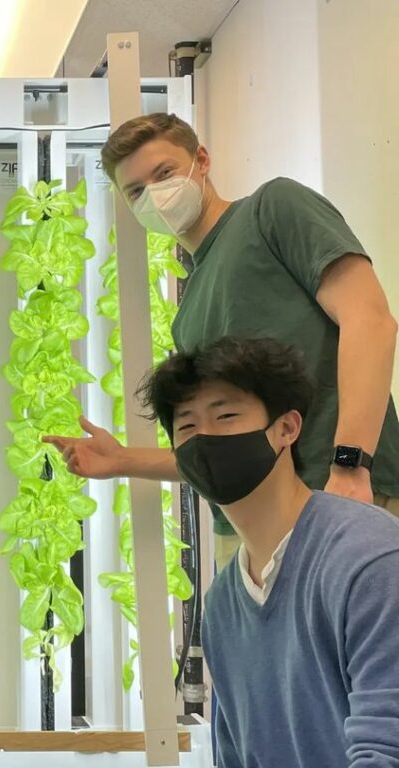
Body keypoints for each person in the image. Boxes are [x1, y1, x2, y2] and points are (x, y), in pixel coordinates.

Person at [48, 112, 399, 569]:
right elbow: (222, 442)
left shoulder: (272, 210)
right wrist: (121, 460)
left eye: (165, 173)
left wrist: (351, 467)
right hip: (247, 531)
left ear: (202, 160)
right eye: (136, 191)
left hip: (336, 499)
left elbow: (370, 320)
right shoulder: (189, 310)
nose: (155, 194)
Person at [139, 336, 399, 766]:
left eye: (225, 416)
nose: (204, 438)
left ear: (286, 428)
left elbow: (387, 746)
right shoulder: (222, 604)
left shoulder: (368, 559)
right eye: (186, 426)